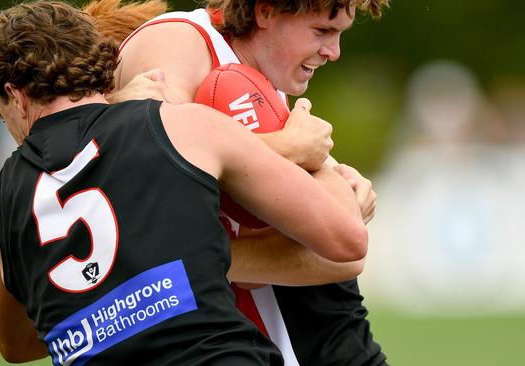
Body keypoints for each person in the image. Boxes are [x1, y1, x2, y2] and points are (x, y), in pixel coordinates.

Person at [0, 1, 368, 364]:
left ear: (16, 97)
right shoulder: (174, 118)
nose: (333, 50)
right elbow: (347, 243)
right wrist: (314, 161)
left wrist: (109, 306)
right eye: (321, 31)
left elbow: (16, 345)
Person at [101, 0, 390, 364]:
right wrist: (288, 149)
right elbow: (158, 171)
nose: (333, 52)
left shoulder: (258, 79)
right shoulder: (181, 41)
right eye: (322, 31)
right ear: (266, 11)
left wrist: (323, 176)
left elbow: (344, 254)